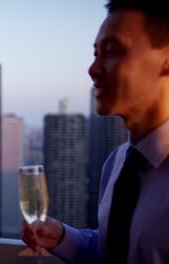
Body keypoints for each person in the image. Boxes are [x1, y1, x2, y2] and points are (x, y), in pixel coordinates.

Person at [21, 0, 169, 263]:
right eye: (95, 53)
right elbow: (115, 252)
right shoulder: (118, 162)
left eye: (112, 51)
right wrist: (62, 237)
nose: (93, 69)